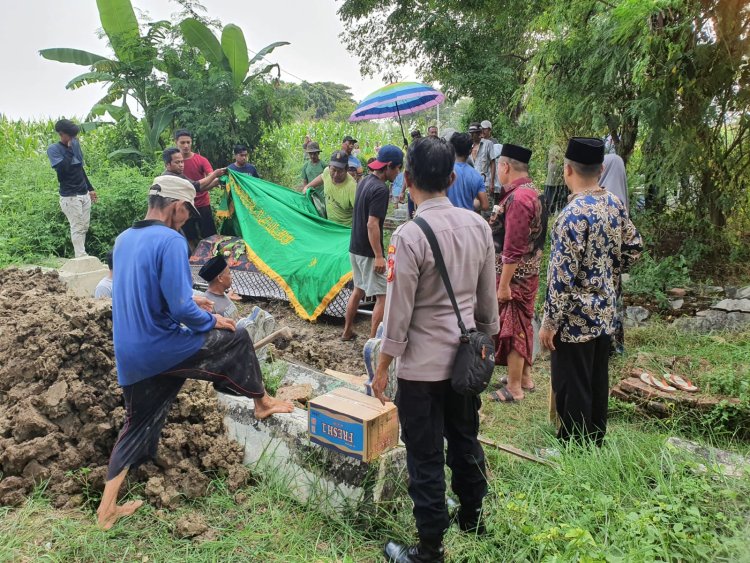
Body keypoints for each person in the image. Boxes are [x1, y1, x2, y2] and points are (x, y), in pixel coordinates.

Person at [96, 174, 292, 530]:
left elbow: (156, 295)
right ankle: (262, 403)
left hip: (130, 352)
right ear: (176, 207)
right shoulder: (170, 240)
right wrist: (213, 319)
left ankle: (106, 510)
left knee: (136, 423)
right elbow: (182, 311)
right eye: (187, 211)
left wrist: (194, 300)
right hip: (163, 346)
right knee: (238, 336)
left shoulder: (124, 239)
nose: (187, 218)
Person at [371, 137, 499, 562]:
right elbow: (487, 305)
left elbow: (399, 314)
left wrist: (383, 366)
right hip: (464, 364)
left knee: (425, 458)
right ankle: (473, 516)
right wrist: (487, 342)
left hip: (421, 371)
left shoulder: (408, 236)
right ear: (450, 178)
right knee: (465, 440)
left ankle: (429, 550)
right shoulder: (478, 226)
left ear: (406, 181)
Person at [539, 137, 642, 446]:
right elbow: (635, 248)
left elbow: (561, 278)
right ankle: (595, 441)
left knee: (572, 382)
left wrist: (548, 323)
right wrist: (608, 270)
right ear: (600, 170)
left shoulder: (571, 216)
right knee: (597, 378)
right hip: (606, 311)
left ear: (568, 170)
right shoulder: (614, 204)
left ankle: (573, 449)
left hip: (575, 317)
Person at [488, 144, 546, 403]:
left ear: (505, 167)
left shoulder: (519, 199)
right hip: (529, 270)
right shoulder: (533, 191)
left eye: (498, 166)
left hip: (516, 274)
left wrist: (504, 285)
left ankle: (514, 388)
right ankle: (524, 377)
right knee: (524, 322)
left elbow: (513, 246)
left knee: (513, 327)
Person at [341, 145, 403, 342]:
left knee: (358, 289)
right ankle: (373, 342)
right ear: (389, 166)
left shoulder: (365, 181)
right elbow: (372, 224)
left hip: (355, 248)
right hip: (368, 252)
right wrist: (378, 255)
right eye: (398, 168)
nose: (398, 173)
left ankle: (347, 331)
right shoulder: (380, 189)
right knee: (383, 296)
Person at [47, 119, 97, 258]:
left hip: (83, 192)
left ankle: (81, 255)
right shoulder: (54, 149)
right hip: (70, 196)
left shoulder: (75, 144)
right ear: (62, 134)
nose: (74, 139)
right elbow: (62, 170)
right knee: (77, 226)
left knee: (84, 226)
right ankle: (81, 256)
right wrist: (69, 150)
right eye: (71, 136)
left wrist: (90, 188)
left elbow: (79, 167)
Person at [600, 154, 630, 355]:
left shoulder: (603, 200)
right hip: (615, 266)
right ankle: (615, 346)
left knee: (602, 304)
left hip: (598, 266)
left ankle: (603, 346)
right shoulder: (621, 202)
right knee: (614, 302)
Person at [174, 129, 218, 248]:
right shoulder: (174, 163)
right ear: (176, 143)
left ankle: (213, 259)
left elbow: (211, 177)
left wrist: (218, 180)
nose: (186, 145)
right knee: (189, 237)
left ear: (192, 142)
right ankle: (193, 261)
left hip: (203, 203)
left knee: (210, 235)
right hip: (184, 204)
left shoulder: (201, 160)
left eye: (188, 142)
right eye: (182, 142)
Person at [302, 150, 357, 226]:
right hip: (329, 224)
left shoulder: (352, 188)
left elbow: (361, 214)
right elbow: (321, 177)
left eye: (340, 171)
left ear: (346, 169)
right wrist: (307, 187)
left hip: (345, 230)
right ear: (329, 166)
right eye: (333, 170)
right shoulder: (327, 172)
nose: (336, 175)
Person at [447, 133, 488, 211]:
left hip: (446, 219)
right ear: (470, 151)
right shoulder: (477, 176)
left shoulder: (443, 171)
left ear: (451, 149)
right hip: (467, 220)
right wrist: (470, 203)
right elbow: (485, 206)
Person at [468, 122, 496, 199]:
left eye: (473, 134)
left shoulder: (488, 144)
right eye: (470, 133)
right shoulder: (468, 146)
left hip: (485, 182)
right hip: (472, 184)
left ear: (479, 133)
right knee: (474, 208)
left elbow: (492, 163)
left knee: (486, 208)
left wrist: (492, 183)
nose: (471, 136)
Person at [544, 144, 567, 214]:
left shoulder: (562, 145)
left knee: (560, 207)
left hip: (560, 181)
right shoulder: (558, 146)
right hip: (553, 181)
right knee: (551, 208)